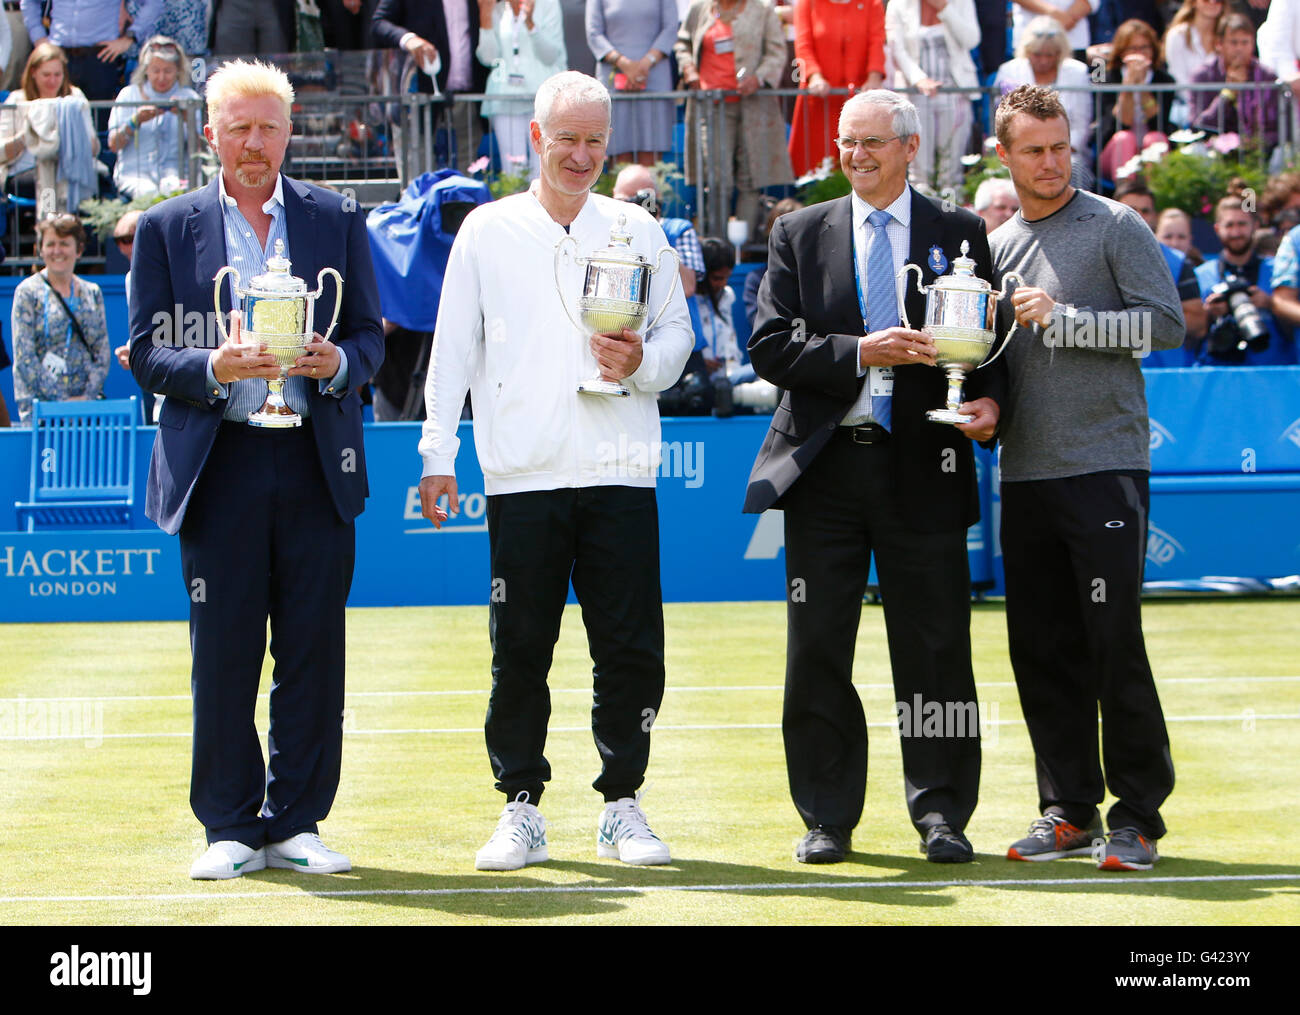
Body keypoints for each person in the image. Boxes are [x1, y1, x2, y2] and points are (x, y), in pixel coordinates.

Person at [417, 71, 693, 871]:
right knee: (521, 650)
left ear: (610, 142)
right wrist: (439, 453)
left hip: (620, 473)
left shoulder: (639, 229)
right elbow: (452, 350)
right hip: (522, 476)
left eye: (595, 139)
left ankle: (622, 804)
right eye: (566, 138)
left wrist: (640, 361)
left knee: (632, 649)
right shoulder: (486, 230)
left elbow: (676, 338)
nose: (580, 154)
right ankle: (520, 806)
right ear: (534, 138)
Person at [128, 59, 385, 880]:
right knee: (226, 651)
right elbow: (145, 353)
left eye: (267, 126)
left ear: (288, 129)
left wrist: (333, 361)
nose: (253, 142)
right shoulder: (168, 228)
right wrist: (216, 366)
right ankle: (231, 826)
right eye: (237, 126)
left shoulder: (338, 217)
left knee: (314, 648)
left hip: (314, 461)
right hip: (220, 463)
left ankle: (297, 821)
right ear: (210, 133)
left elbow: (373, 339)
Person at [744, 89, 1004, 866]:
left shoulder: (961, 234)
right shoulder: (797, 229)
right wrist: (861, 351)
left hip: (924, 464)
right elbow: (769, 344)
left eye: (872, 143)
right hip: (823, 471)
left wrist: (991, 397)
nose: (855, 156)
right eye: (846, 144)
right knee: (818, 647)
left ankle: (942, 812)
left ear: (910, 147)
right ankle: (827, 815)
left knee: (935, 650)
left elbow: (986, 345)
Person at [990, 84, 1181, 871]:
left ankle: (1137, 816)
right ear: (1003, 154)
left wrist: (1067, 321)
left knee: (1113, 644)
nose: (1050, 162)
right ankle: (1066, 808)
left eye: (1059, 145)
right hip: (1024, 473)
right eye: (1032, 149)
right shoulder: (995, 246)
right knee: (1040, 648)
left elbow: (1166, 325)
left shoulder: (1116, 223)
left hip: (1105, 467)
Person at [676, 0, 794, 237]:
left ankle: (744, 246)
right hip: (711, 107)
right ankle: (718, 246)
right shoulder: (699, 8)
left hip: (753, 106)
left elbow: (776, 52)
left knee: (750, 178)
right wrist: (689, 69)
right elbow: (683, 45)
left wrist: (758, 78)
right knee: (717, 178)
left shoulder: (762, 10)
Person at [11, 213, 110, 424]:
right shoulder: (28, 292)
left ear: (79, 249)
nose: (57, 251)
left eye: (64, 244)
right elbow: (25, 358)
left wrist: (86, 397)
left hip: (85, 411)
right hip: (41, 412)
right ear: (41, 249)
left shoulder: (92, 292)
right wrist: (62, 400)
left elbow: (101, 354)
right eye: (50, 244)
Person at [885, 0, 980, 193]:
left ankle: (953, 214)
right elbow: (897, 49)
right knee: (918, 170)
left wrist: (944, 8)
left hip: (955, 92)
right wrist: (919, 79)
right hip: (915, 94)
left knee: (951, 170)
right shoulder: (898, 4)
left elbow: (972, 39)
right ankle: (920, 216)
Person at [0, 42, 101, 218]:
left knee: (70, 177)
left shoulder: (74, 98)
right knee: (48, 173)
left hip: (69, 168)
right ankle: (51, 223)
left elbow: (94, 148)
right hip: (26, 172)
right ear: (33, 73)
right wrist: (29, 135)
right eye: (46, 75)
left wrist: (74, 133)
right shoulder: (17, 100)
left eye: (57, 74)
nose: (52, 81)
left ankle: (66, 231)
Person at [1113, 175, 1206, 363]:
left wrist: (1142, 326)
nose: (1137, 216)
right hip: (1111, 376)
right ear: (1112, 210)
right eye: (1130, 209)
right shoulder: (1094, 255)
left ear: (1154, 216)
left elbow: (1198, 321)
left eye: (1145, 211)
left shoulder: (1179, 262)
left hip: (1165, 378)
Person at [788, 0, 886, 177]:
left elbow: (877, 41)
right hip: (819, 100)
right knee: (815, 167)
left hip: (859, 101)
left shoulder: (872, 4)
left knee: (861, 162)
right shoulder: (807, 4)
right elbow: (803, 45)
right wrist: (814, 76)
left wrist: (874, 77)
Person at [1195, 194, 1295, 365]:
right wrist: (1208, 314)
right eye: (1229, 225)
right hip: (1216, 372)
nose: (1236, 232)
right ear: (1217, 229)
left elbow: (1293, 329)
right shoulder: (1201, 275)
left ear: (1255, 226)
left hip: (1274, 370)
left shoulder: (1278, 271)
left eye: (1242, 224)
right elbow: (1188, 336)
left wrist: (1271, 304)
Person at [994, 16, 1094, 187]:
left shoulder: (1077, 71)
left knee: (1074, 169)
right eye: (1037, 55)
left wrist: (1061, 150)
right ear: (1027, 51)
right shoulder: (1009, 70)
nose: (1044, 61)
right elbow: (1002, 121)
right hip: (1022, 149)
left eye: (1050, 55)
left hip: (1067, 151)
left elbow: (1081, 123)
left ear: (1060, 53)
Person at [477, 0, 568, 177]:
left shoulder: (548, 4)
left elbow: (550, 55)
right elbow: (488, 58)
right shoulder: (497, 8)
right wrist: (485, 16)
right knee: (513, 170)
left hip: (543, 98)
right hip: (505, 97)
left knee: (543, 167)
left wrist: (530, 23)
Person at [106, 36, 200, 200]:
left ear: (178, 70)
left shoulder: (189, 97)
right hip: (135, 175)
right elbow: (113, 145)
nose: (161, 77)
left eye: (168, 71)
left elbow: (203, 148)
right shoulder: (129, 95)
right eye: (156, 71)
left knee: (174, 194)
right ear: (146, 70)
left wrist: (187, 118)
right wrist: (135, 121)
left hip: (176, 174)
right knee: (149, 193)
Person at [586, 0, 677, 166]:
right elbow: (594, 32)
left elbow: (670, 28)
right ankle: (619, 192)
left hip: (654, 80)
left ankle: (653, 192)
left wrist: (646, 63)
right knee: (617, 155)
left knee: (652, 154)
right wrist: (623, 63)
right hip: (614, 81)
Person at [1097, 19, 1175, 181]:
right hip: (1114, 150)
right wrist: (1128, 87)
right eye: (1133, 48)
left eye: (1144, 47)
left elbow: (1158, 123)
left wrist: (1142, 88)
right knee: (1124, 138)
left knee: (1156, 139)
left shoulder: (1164, 80)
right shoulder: (1108, 78)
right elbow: (1119, 124)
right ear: (1122, 52)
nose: (1139, 53)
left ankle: (1157, 198)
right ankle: (1125, 197)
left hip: (1149, 143)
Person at [612, 162, 703, 298]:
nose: (630, 208)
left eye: (638, 201)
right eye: (624, 201)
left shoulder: (678, 231)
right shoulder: (610, 232)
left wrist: (653, 229)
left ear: (655, 200)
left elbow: (688, 287)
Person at [1189, 12, 1278, 147]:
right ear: (1219, 44)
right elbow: (1199, 125)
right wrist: (1228, 94)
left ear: (1253, 44)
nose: (1239, 49)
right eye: (1234, 42)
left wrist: (1255, 143)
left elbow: (1280, 127)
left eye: (1245, 42)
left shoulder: (1267, 77)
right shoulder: (1203, 76)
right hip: (1213, 151)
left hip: (1260, 153)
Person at [1163, 0, 1222, 125]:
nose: (1212, 2)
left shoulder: (1228, 36)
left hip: (1222, 107)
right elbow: (1178, 77)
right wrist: (1201, 105)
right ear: (1193, 2)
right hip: (1187, 107)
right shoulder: (1177, 35)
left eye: (1218, 0)